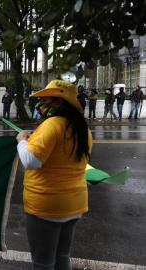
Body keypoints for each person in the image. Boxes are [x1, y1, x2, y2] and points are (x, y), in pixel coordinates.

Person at [16, 80, 92, 270]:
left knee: (43, 263)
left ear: (59, 102)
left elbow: (31, 161)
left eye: (47, 99)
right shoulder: (83, 129)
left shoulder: (52, 125)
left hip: (47, 206)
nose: (42, 103)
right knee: (62, 255)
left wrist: (22, 141)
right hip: (75, 203)